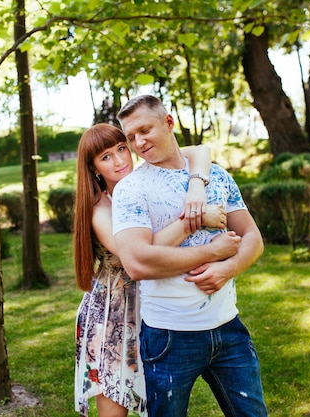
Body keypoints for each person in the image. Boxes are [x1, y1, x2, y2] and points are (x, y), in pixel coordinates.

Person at [112, 95, 268, 417]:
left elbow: (253, 236)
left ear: (168, 123)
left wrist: (231, 267)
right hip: (169, 336)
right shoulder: (131, 189)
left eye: (145, 130)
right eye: (131, 137)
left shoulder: (216, 175)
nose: (139, 143)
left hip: (229, 327)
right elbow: (137, 262)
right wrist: (212, 252)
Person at [73, 123, 236, 417]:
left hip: (156, 306)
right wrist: (197, 220)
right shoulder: (100, 209)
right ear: (94, 168)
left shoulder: (142, 184)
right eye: (106, 157)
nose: (120, 160)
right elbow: (137, 256)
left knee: (160, 403)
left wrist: (197, 186)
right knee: (115, 404)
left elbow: (200, 151)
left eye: (122, 148)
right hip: (115, 313)